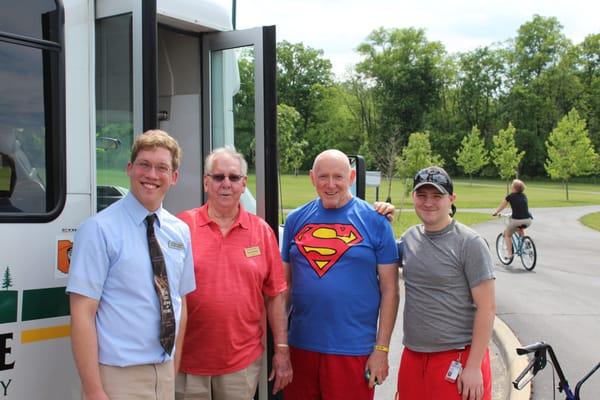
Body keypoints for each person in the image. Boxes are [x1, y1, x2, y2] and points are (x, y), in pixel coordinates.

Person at [67, 130, 196, 400]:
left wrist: (173, 365)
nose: (151, 174)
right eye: (144, 164)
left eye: (162, 167)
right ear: (129, 169)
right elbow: (82, 314)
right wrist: (94, 391)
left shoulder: (180, 232)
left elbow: (180, 303)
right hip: (117, 377)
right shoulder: (98, 230)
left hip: (164, 373)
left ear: (174, 178)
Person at [281, 149, 400, 400]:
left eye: (339, 176)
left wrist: (381, 350)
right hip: (301, 347)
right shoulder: (295, 220)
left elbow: (390, 291)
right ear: (312, 177)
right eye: (323, 177)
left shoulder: (376, 222)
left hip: (353, 350)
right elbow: (284, 288)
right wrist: (281, 346)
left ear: (352, 177)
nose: (331, 184)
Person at [175, 147, 292, 400]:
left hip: (241, 365)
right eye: (218, 177)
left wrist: (282, 350)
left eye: (233, 177)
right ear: (207, 182)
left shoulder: (261, 231)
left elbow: (275, 296)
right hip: (187, 364)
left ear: (243, 184)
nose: (226, 184)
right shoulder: (181, 227)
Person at [397, 166, 496, 400]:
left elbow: (487, 307)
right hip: (413, 355)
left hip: (457, 357)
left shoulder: (469, 243)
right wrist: (380, 216)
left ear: (451, 199)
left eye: (437, 196)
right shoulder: (409, 238)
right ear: (413, 197)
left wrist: (473, 367)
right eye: (422, 195)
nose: (428, 202)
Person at [492, 179, 532, 258]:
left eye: (512, 186)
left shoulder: (510, 196)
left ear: (514, 188)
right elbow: (520, 207)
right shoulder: (524, 195)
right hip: (528, 220)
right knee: (520, 229)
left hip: (517, 220)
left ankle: (510, 254)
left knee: (507, 234)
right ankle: (525, 242)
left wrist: (496, 212)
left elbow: (503, 205)